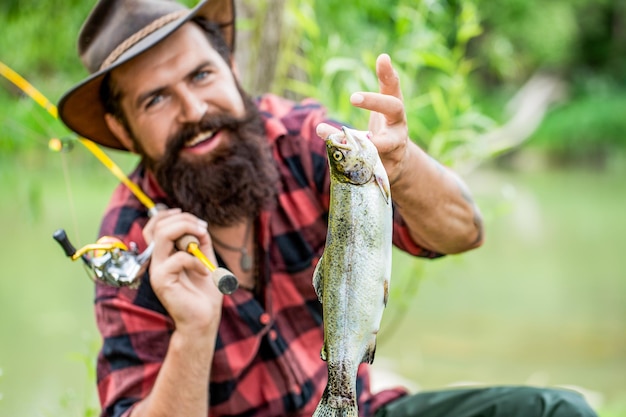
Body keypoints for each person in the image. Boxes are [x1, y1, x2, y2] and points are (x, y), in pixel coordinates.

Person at [58, 0, 598, 416]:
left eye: (201, 75)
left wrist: (402, 166)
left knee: (559, 411)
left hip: (357, 408)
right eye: (156, 99)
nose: (195, 109)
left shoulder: (300, 140)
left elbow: (463, 232)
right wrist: (194, 330)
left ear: (231, 67)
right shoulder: (129, 247)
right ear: (119, 127)